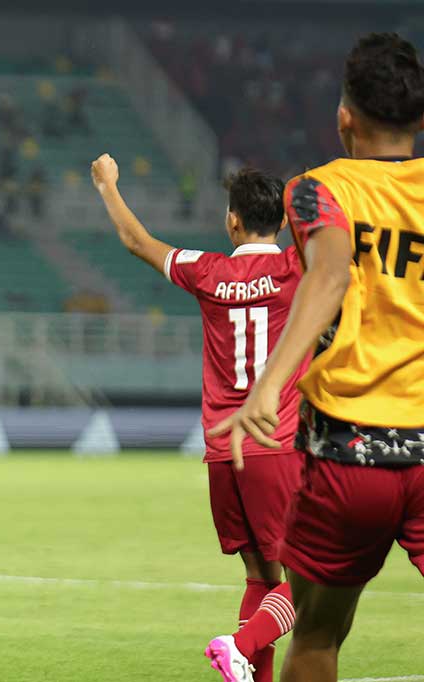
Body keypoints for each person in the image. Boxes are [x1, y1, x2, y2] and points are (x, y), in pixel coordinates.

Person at [210, 33, 424, 682]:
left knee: (318, 637)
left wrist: (267, 386)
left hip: (349, 451)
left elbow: (329, 276)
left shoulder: (315, 191)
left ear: (344, 118)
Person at [91, 155, 308, 682]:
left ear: (232, 220)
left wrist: (108, 186)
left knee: (260, 576)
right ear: (279, 223)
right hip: (277, 444)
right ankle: (240, 645)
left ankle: (248, 669)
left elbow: (138, 243)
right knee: (310, 580)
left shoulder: (208, 270)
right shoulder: (296, 269)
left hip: (222, 452)